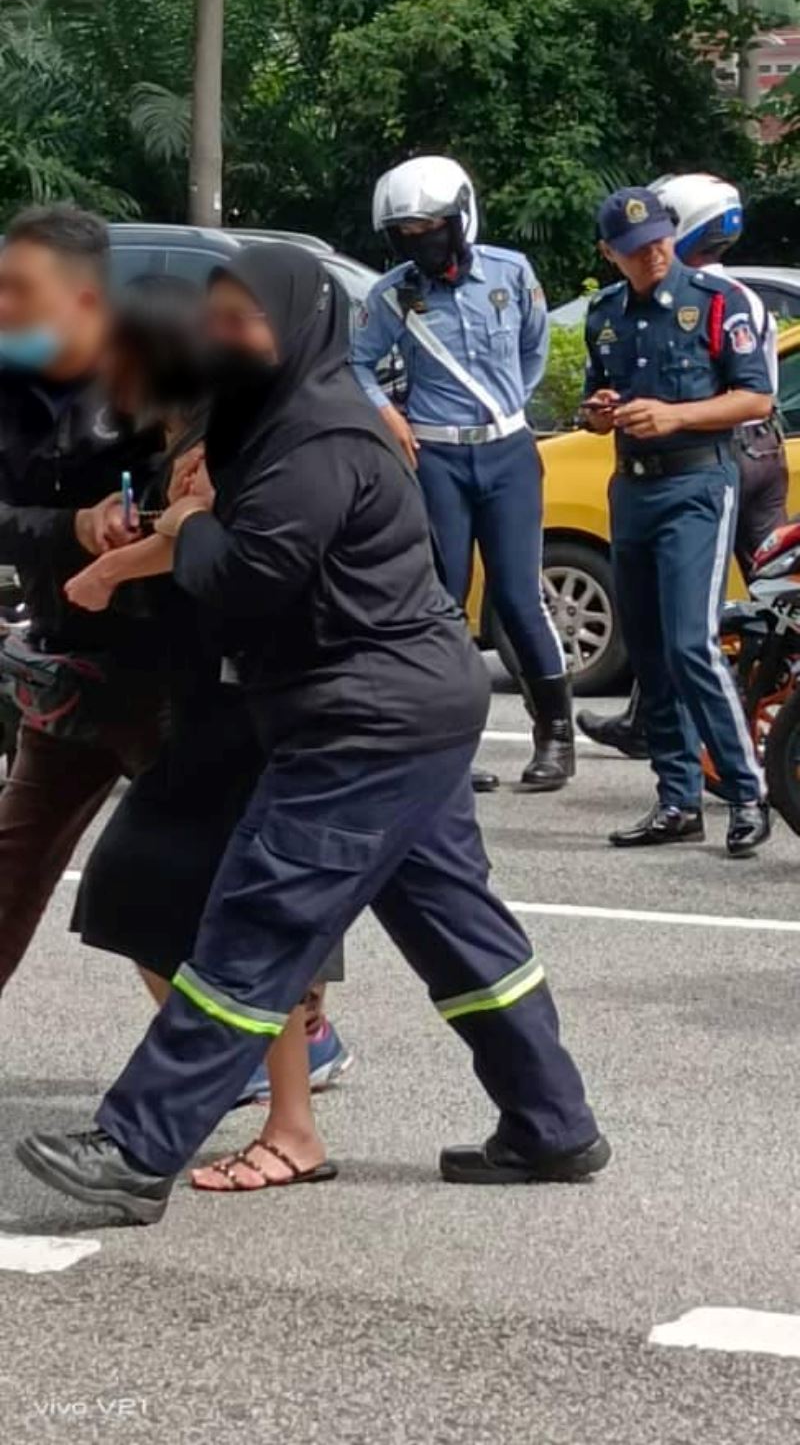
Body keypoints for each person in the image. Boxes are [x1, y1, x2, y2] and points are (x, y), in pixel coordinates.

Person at [16, 242, 609, 1221]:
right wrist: (170, 519)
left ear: (298, 322)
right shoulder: (278, 415)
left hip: (362, 718)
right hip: (402, 704)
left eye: (246, 319)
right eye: (221, 318)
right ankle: (552, 1121)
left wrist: (192, 527)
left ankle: (133, 1146)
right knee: (460, 932)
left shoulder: (317, 435)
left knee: (255, 920)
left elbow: (250, 576)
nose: (226, 336)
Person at [67, 273, 350, 1163]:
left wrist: (119, 563)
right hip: (203, 699)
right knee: (191, 905)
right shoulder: (168, 432)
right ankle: (277, 1068)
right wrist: (114, 524)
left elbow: (226, 536)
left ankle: (271, 1094)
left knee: (211, 906)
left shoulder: (236, 427)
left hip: (251, 702)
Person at [353, 156, 572, 796]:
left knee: (517, 594)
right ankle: (446, 742)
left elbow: (534, 347)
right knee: (440, 598)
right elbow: (358, 364)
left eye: (429, 227)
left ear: (459, 219)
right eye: (405, 232)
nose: (418, 241)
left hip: (506, 453)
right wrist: (388, 417)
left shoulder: (511, 273)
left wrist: (507, 408)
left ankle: (555, 735)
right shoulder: (392, 293)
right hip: (435, 456)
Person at [0, 205, 167, 997]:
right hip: (68, 662)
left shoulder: (163, 372)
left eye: (22, 292)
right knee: (15, 860)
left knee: (162, 871)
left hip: (173, 673)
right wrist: (73, 525)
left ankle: (291, 1042)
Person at [582, 186, 774, 858]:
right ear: (612, 255)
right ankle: (675, 798)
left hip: (697, 481)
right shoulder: (606, 314)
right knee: (651, 649)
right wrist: (600, 413)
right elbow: (593, 396)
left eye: (661, 239)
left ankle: (748, 794)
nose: (654, 253)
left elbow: (755, 397)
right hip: (632, 487)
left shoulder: (718, 302)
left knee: (692, 641)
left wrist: (674, 415)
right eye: (636, 249)